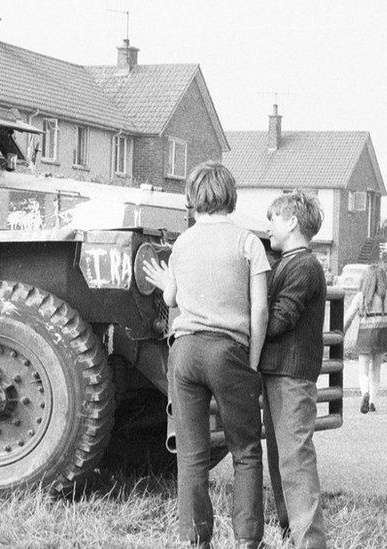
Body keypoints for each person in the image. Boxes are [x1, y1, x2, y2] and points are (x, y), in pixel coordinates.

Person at [143, 161, 269, 549]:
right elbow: (260, 309)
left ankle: (196, 539)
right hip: (228, 350)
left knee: (191, 454)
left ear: (193, 198)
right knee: (245, 450)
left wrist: (167, 283)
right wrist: (253, 361)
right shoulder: (248, 242)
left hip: (185, 352)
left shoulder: (183, 242)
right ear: (230, 195)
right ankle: (247, 539)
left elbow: (171, 298)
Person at [260, 190, 328, 548]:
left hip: (292, 375)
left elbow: (280, 320)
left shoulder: (303, 266)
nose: (268, 225)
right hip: (278, 372)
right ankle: (292, 532)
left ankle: (310, 542)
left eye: (273, 219)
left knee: (295, 459)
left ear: (291, 222)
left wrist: (250, 320)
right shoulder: (289, 261)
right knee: (281, 457)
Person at [343, 264, 387, 413]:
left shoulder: (360, 296)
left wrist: (342, 332)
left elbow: (348, 318)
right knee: (376, 369)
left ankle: (364, 392)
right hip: (383, 334)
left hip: (365, 334)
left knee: (363, 370)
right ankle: (372, 401)